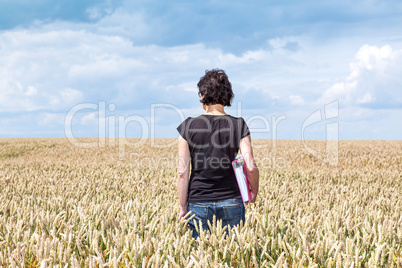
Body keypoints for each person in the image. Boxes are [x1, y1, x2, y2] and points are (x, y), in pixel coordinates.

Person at [176, 69, 259, 239]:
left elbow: (182, 172)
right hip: (232, 201)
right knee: (232, 255)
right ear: (227, 95)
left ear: (204, 95)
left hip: (198, 201)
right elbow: (250, 166)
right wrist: (253, 191)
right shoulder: (239, 125)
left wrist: (183, 207)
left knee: (200, 258)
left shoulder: (188, 126)